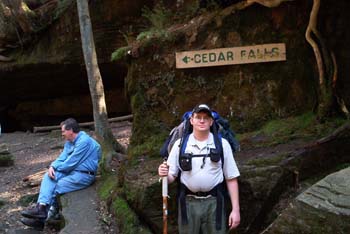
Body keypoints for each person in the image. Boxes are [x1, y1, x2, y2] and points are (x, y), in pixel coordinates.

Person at [158, 104, 240, 234]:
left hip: (214, 203)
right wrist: (164, 174)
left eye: (206, 118)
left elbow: (231, 178)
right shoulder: (180, 145)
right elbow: (171, 177)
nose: (202, 121)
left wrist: (236, 210)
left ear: (211, 121)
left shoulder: (222, 144)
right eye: (198, 117)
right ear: (191, 120)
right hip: (188, 203)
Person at [20, 118, 101, 229]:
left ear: (70, 130)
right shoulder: (69, 142)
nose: (62, 134)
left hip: (84, 175)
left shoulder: (84, 141)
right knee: (49, 177)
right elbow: (62, 158)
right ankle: (41, 207)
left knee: (58, 186)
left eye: (63, 131)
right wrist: (52, 166)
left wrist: (55, 167)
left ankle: (42, 221)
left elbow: (70, 163)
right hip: (72, 171)